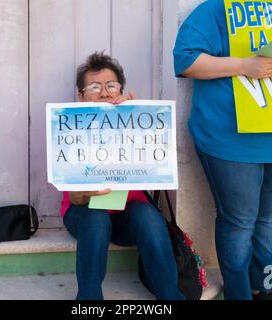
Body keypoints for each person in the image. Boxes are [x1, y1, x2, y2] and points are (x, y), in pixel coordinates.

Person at [173, 0, 272, 300]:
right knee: (239, 223)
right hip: (230, 140)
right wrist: (243, 65)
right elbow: (185, 61)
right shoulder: (214, 10)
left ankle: (262, 289)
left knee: (265, 220)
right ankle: (238, 295)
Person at [60, 52, 184, 300]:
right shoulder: (69, 128)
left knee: (149, 216)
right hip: (84, 212)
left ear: (122, 90)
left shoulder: (136, 120)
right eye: (94, 87)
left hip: (127, 215)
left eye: (111, 86)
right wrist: (88, 193)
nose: (104, 93)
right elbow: (74, 198)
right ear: (80, 95)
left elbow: (156, 167)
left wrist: (138, 121)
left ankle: (171, 297)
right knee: (95, 217)